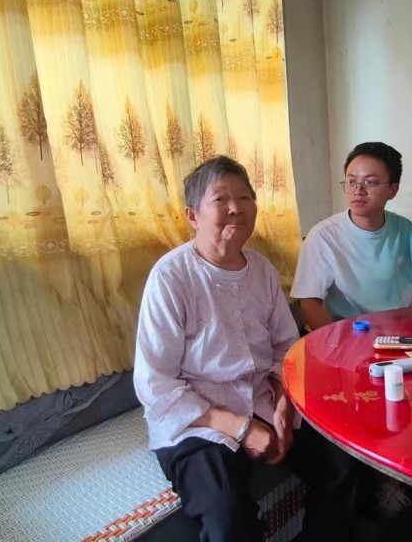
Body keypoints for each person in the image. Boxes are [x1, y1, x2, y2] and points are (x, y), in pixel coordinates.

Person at [133, 156, 358, 542]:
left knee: (343, 466)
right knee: (226, 514)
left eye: (245, 198)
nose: (236, 208)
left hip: (263, 400)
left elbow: (286, 347)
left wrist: (285, 403)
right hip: (197, 423)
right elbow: (156, 385)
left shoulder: (262, 270)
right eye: (221, 199)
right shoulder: (170, 277)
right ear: (192, 215)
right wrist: (240, 428)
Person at [292, 141, 412, 332]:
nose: (358, 190)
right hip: (349, 336)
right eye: (351, 181)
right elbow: (309, 304)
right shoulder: (323, 237)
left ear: (392, 190)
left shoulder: (405, 231)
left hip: (399, 336)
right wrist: (338, 342)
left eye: (370, 182)